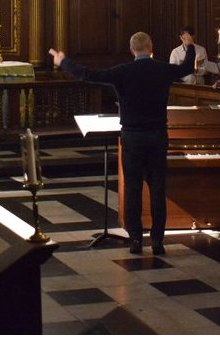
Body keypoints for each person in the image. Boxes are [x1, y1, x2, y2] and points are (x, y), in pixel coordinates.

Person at [49, 32, 194, 256]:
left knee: (133, 189)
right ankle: (157, 242)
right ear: (151, 47)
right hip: (157, 136)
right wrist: (189, 46)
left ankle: (135, 240)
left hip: (132, 137)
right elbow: (186, 68)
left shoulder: (123, 71)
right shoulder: (163, 69)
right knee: (157, 189)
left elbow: (88, 75)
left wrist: (63, 61)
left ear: (131, 50)